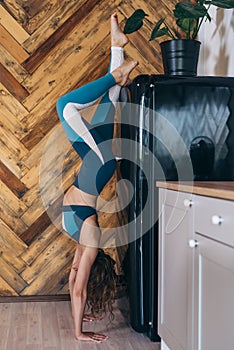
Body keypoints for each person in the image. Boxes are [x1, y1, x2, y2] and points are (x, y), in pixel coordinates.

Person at [56, 13, 138, 342]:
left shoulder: (84, 244)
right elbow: (77, 287)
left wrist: (84, 313)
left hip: (96, 164)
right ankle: (117, 70)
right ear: (95, 264)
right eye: (89, 267)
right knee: (66, 107)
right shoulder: (89, 240)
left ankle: (116, 50)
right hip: (97, 162)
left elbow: (77, 279)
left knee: (108, 102)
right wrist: (79, 332)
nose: (79, 267)